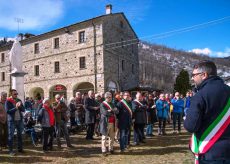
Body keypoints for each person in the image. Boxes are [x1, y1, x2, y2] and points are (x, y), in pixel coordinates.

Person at [184, 60, 230, 164]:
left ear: (204, 75)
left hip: (210, 152)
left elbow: (191, 126)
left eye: (194, 75)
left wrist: (186, 118)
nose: (192, 78)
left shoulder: (200, 95)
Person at [5, 89, 25, 155]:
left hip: (19, 120)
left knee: (20, 135)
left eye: (17, 94)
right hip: (12, 121)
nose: (16, 95)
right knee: (11, 136)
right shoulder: (8, 101)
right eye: (15, 94)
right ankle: (11, 151)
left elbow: (23, 110)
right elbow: (8, 111)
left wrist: (20, 106)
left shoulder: (19, 100)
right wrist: (16, 107)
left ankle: (20, 149)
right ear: (11, 94)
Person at [99, 92, 118, 156]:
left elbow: (117, 111)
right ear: (105, 97)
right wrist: (113, 111)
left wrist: (111, 110)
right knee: (104, 137)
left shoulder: (112, 104)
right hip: (105, 123)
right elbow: (105, 113)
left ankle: (111, 148)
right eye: (108, 97)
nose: (110, 99)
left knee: (112, 137)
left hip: (113, 123)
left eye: (110, 97)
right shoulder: (102, 104)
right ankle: (104, 150)